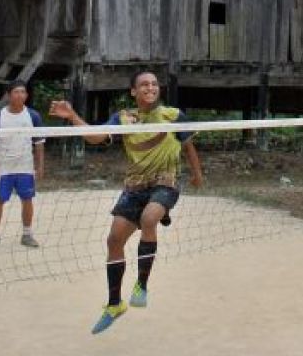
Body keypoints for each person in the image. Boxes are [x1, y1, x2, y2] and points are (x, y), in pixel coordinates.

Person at [49, 71, 204, 334]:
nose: (150, 87)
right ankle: (114, 304)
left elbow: (188, 146)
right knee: (114, 240)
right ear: (133, 91)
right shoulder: (123, 117)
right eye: (144, 84)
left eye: (154, 84)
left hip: (165, 182)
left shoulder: (174, 115)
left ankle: (141, 285)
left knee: (149, 219)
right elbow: (96, 137)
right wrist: (73, 116)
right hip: (134, 187)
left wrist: (197, 174)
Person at [0, 80, 46, 250]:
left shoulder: (33, 116)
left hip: (25, 166)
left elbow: (39, 143)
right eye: (16, 92)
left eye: (23, 92)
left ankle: (27, 234)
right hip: (4, 168)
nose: (20, 95)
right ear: (9, 95)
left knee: (27, 199)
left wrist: (40, 166)